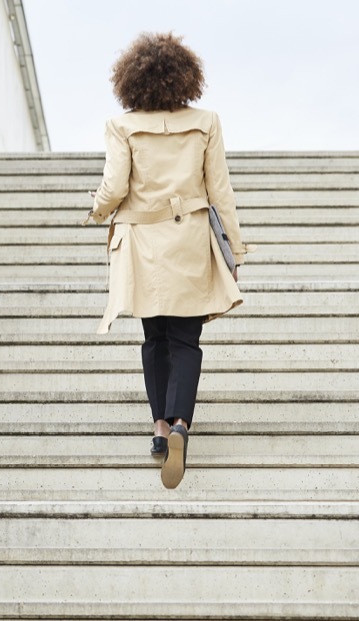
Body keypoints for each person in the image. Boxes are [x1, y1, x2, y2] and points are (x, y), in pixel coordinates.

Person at [84, 32, 248, 489]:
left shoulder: (122, 127)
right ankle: (180, 424)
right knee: (186, 340)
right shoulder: (207, 122)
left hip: (143, 245)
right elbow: (221, 191)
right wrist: (234, 246)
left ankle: (159, 430)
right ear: (186, 78)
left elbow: (115, 187)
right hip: (191, 239)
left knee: (153, 337)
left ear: (131, 81)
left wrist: (95, 210)